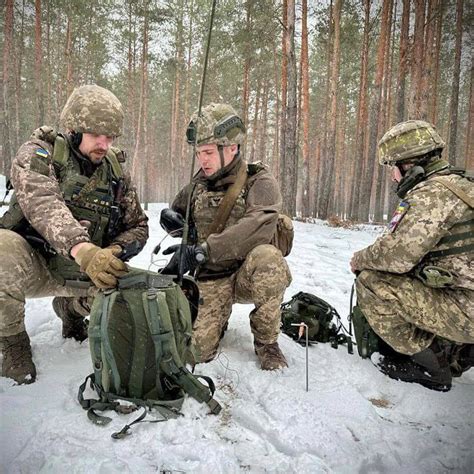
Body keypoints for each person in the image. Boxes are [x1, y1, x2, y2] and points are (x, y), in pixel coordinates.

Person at [0, 84, 149, 384]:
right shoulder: (39, 153)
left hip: (85, 271)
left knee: (140, 299)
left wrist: (113, 252)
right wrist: (84, 249)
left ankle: (71, 308)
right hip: (36, 264)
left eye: (110, 137)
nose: (104, 144)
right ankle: (13, 344)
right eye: (97, 135)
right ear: (75, 129)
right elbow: (43, 201)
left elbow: (139, 226)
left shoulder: (115, 172)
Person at [161, 103, 292, 370]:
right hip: (211, 277)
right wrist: (171, 221)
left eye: (208, 152)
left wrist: (201, 251)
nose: (203, 160)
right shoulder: (198, 184)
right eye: (198, 153)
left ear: (231, 148)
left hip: (246, 273)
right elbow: (177, 211)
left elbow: (257, 225)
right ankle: (217, 318)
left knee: (268, 258)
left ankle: (267, 343)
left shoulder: (259, 181)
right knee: (196, 352)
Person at [350, 120, 473, 392]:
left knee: (372, 281)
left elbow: (396, 256)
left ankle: (433, 367)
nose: (394, 177)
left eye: (393, 168)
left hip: (468, 310)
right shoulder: (463, 184)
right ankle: (460, 351)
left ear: (409, 165)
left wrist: (359, 259)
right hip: (467, 298)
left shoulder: (431, 194)